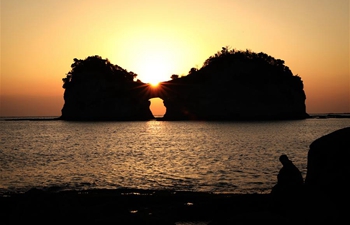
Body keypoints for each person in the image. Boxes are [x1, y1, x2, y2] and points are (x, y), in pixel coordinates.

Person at [270, 154, 304, 220]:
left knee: (276, 191)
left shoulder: (289, 168)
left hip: (292, 186)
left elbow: (285, 180)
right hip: (292, 185)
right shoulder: (289, 167)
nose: (282, 163)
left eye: (282, 161)